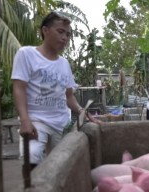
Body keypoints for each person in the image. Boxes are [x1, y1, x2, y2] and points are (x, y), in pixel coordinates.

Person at [11, 11, 98, 169]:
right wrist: (25, 120)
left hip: (61, 125)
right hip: (37, 121)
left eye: (68, 34)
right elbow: (19, 88)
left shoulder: (64, 64)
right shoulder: (27, 54)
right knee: (32, 157)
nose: (65, 37)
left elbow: (69, 96)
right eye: (60, 31)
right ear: (45, 30)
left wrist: (82, 111)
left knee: (59, 168)